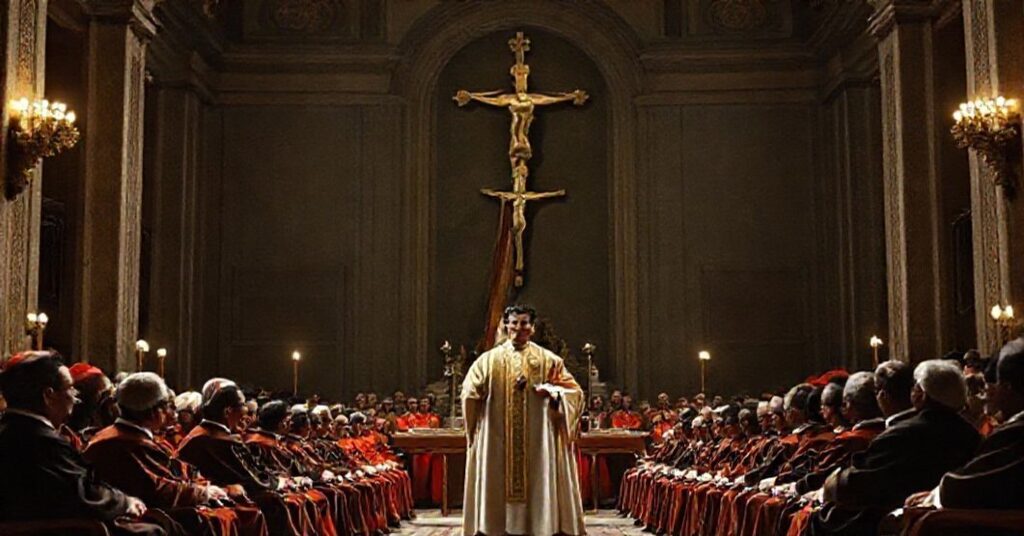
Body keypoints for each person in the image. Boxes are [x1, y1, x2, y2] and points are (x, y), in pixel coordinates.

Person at [809, 360, 980, 535]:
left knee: (818, 520)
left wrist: (832, 483)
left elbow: (855, 485)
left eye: (915, 387)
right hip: (949, 521)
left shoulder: (901, 434)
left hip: (899, 520)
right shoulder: (973, 434)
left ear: (921, 394)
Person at [0, 351, 159, 534]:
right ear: (48, 395)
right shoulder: (40, 440)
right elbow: (83, 496)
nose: (76, 397)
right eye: (70, 388)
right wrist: (126, 502)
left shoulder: (13, 429)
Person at [462, 304, 586, 535]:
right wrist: (475, 403)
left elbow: (574, 392)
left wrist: (553, 392)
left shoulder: (549, 360)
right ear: (506, 325)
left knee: (538, 482)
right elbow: (469, 392)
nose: (519, 328)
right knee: (496, 483)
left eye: (525, 323)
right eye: (514, 323)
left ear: (532, 327)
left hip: (538, 441)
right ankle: (493, 527)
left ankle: (540, 525)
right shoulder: (488, 361)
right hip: (497, 438)